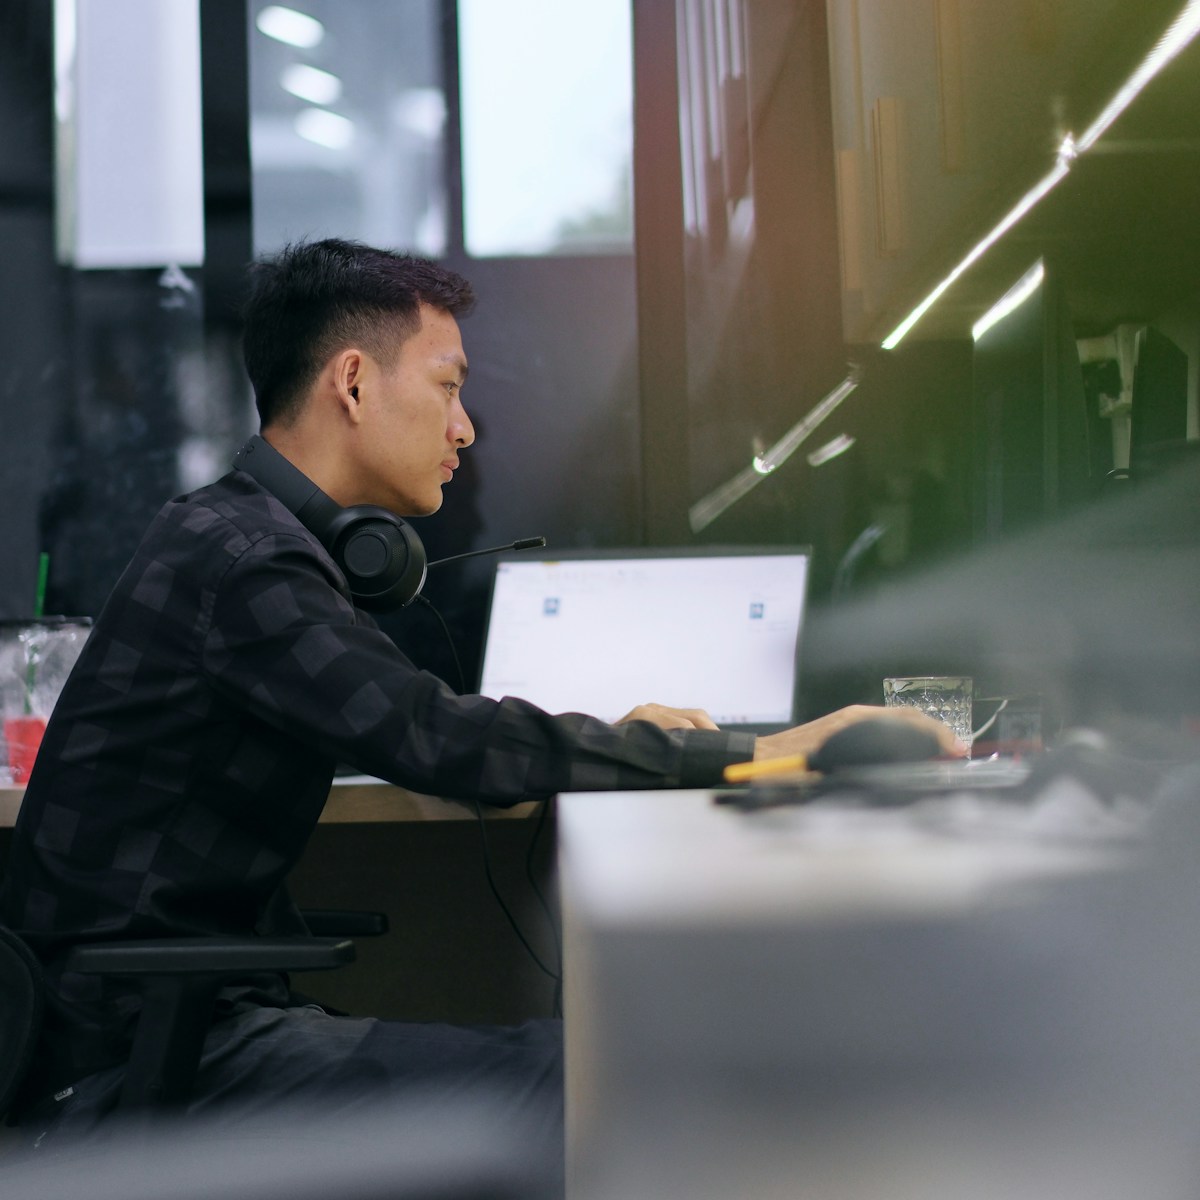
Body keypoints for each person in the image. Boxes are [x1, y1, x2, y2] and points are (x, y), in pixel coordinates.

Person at [0, 239, 958, 1174]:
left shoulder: (231, 537)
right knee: (594, 1079)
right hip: (129, 1071)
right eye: (450, 385)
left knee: (578, 1062)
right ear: (353, 383)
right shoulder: (247, 561)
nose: (466, 428)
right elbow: (431, 738)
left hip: (164, 1031)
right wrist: (771, 751)